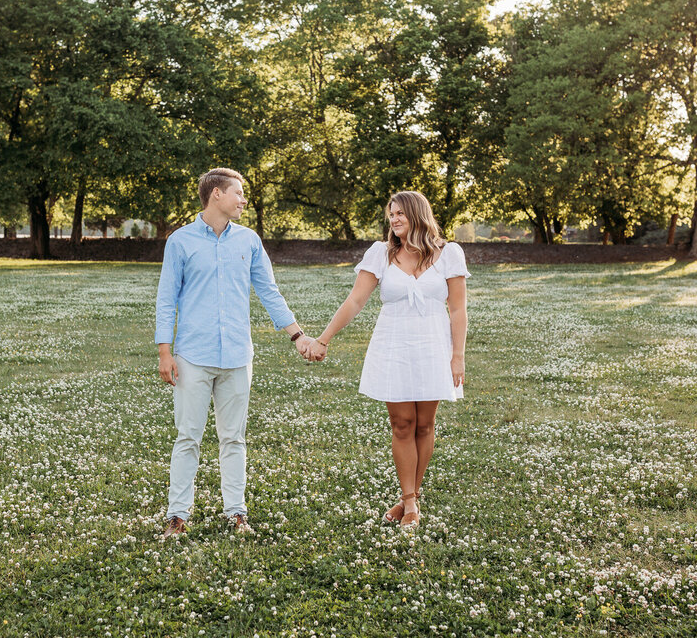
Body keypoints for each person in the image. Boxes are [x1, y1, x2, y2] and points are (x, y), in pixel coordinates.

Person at [155, 168, 317, 538]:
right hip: (192, 356)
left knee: (234, 438)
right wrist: (165, 352)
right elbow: (167, 300)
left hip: (237, 357)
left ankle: (236, 513)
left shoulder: (248, 241)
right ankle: (177, 515)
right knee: (188, 438)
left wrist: (298, 336)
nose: (244, 200)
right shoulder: (179, 242)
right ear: (216, 194)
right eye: (239, 193)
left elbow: (269, 292)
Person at [304, 191, 469, 528]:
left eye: (400, 214)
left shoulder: (449, 253)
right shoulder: (380, 253)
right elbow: (355, 301)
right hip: (393, 346)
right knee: (402, 424)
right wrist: (323, 338)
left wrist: (458, 356)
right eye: (390, 215)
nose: (393, 220)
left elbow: (458, 309)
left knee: (425, 424)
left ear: (417, 215)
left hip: (433, 347)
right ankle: (410, 505)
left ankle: (412, 495)